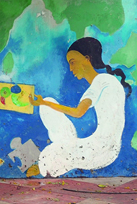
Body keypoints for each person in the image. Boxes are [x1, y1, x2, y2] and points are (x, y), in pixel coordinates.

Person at [29, 37, 131, 177]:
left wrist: (45, 103)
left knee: (48, 156)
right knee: (48, 105)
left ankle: (57, 154)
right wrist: (46, 104)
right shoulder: (106, 81)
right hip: (108, 149)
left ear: (87, 59)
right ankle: (65, 143)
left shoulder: (100, 82)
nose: (71, 69)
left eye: (73, 62)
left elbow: (78, 113)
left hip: (100, 150)